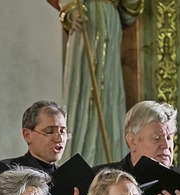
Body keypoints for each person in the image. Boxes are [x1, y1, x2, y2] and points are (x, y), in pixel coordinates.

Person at [48, 0, 144, 166]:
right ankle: (79, 155)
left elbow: (129, 11)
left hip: (110, 22)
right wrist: (71, 12)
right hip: (86, 20)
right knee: (84, 89)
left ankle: (111, 156)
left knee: (110, 91)